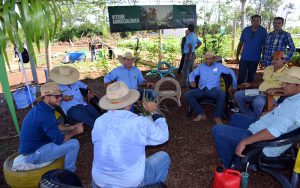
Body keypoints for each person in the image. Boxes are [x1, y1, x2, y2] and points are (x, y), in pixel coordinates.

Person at [212, 66, 300, 168]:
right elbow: (282, 118)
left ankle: (229, 166)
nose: (283, 85)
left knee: (218, 130)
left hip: (264, 142)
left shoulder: (295, 105)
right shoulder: (294, 98)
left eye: (287, 83)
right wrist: (267, 115)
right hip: (262, 127)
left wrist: (245, 141)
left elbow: (273, 132)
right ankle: (236, 155)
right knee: (236, 118)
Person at [92, 81, 170, 188]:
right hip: (129, 183)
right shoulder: (138, 122)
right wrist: (154, 111)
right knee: (164, 157)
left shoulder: (99, 121)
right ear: (130, 103)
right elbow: (163, 135)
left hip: (98, 182)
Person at [18, 82, 83, 172]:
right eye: (56, 96)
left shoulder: (44, 107)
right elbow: (59, 140)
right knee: (74, 144)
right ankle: (69, 173)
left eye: (60, 95)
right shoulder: (44, 114)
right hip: (33, 155)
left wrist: (72, 127)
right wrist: (75, 131)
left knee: (65, 133)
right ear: (46, 97)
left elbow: (56, 126)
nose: (60, 99)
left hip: (36, 146)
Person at [184, 51, 237, 124]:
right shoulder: (201, 66)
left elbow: (231, 71)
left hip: (213, 90)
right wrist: (192, 80)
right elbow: (192, 74)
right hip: (202, 89)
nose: (208, 61)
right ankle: (201, 113)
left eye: (210, 59)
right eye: (206, 59)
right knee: (188, 94)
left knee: (222, 93)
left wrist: (234, 85)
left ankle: (217, 116)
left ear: (214, 58)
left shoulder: (219, 66)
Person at [234, 51, 289, 119]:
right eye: (272, 59)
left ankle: (255, 119)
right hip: (258, 91)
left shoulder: (287, 72)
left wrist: (274, 89)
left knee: (257, 102)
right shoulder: (269, 68)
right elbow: (263, 82)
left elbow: (288, 89)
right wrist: (250, 84)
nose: (273, 61)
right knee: (238, 95)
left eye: (276, 59)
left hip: (270, 95)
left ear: (283, 60)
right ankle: (250, 116)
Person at [236, 15, 267, 85]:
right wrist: (237, 56)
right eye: (254, 20)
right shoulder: (246, 30)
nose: (255, 22)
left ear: (260, 22)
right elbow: (240, 43)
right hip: (244, 57)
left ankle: (248, 93)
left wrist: (263, 59)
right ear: (251, 21)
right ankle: (239, 91)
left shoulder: (263, 31)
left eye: (257, 21)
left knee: (251, 77)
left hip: (255, 59)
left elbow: (264, 46)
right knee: (241, 76)